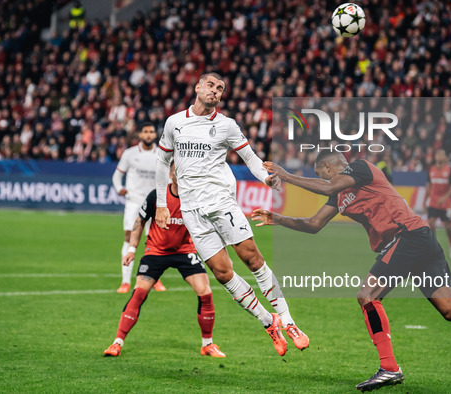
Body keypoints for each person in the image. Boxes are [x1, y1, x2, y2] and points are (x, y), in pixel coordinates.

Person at [253, 151, 451, 391]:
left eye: (320, 173)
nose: (321, 179)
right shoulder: (338, 194)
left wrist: (286, 175)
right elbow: (313, 224)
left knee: (367, 295)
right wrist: (277, 218)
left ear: (331, 167)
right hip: (417, 240)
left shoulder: (360, 167)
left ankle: (389, 368)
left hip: (406, 237)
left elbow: (331, 186)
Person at [155, 72, 308, 356]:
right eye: (211, 85)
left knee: (251, 257)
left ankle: (289, 321)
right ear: (198, 87)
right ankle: (268, 322)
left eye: (220, 88)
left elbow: (250, 157)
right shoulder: (174, 123)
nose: (215, 91)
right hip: (191, 211)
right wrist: (161, 204)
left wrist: (265, 178)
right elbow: (162, 161)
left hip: (220, 202)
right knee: (223, 273)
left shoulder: (226, 126)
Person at [104, 161, 225, 358]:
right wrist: (132, 249)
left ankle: (207, 345)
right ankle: (117, 343)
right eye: (177, 170)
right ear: (170, 173)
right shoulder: (157, 196)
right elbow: (139, 222)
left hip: (185, 251)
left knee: (206, 292)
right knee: (138, 294)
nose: (181, 173)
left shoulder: (195, 198)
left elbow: (210, 224)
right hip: (156, 251)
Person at [112, 122, 165, 293]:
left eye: (151, 131)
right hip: (134, 201)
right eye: (145, 132)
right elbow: (117, 175)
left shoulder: (162, 154)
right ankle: (125, 281)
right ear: (140, 135)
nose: (148, 134)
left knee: (155, 241)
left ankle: (155, 278)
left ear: (154, 135)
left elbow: (168, 177)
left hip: (154, 202)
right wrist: (120, 188)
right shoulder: (130, 154)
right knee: (129, 236)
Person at [425, 149, 451, 259]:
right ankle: (434, 247)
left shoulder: (449, 170)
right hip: (433, 202)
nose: (438, 156)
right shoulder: (431, 170)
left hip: (445, 204)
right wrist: (425, 200)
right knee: (431, 223)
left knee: (448, 227)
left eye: (441, 154)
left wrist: (444, 197)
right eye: (437, 154)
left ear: (445, 157)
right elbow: (429, 186)